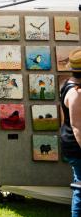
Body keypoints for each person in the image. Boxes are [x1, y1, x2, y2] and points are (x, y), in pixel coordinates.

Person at [61, 48, 81, 216]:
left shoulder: (70, 84)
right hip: (76, 146)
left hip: (71, 142)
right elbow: (77, 127)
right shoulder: (76, 93)